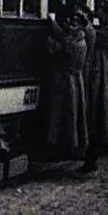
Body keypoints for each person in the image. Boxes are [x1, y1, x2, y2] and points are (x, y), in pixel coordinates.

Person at [41, 9, 90, 162]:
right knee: (73, 116)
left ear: (79, 26)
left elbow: (57, 45)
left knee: (64, 115)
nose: (70, 25)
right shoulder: (81, 40)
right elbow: (63, 37)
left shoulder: (74, 42)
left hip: (66, 82)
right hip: (75, 81)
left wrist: (51, 24)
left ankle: (64, 147)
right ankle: (72, 145)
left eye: (74, 23)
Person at [80, 3, 108, 174]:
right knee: (96, 116)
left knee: (96, 115)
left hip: (102, 78)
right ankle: (91, 157)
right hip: (101, 76)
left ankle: (92, 157)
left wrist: (84, 21)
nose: (99, 17)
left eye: (101, 14)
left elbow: (91, 35)